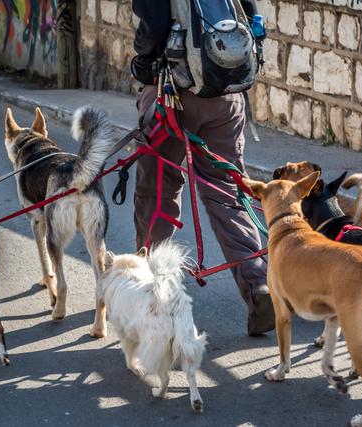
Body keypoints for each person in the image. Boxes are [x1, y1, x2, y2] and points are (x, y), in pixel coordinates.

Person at [131, 0, 274, 336]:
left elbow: (151, 31)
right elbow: (251, 14)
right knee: (228, 193)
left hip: (173, 93)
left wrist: (142, 61)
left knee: (156, 192)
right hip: (226, 91)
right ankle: (258, 286)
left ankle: (153, 295)